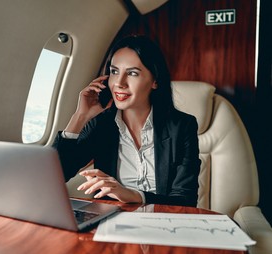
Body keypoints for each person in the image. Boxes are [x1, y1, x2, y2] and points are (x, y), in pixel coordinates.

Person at [52, 35, 201, 207]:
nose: (119, 83)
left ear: (155, 81)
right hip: (110, 223)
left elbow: (185, 200)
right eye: (114, 72)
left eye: (132, 73)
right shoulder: (102, 124)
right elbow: (55, 176)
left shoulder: (182, 127)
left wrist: (132, 195)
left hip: (163, 223)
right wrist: (80, 116)